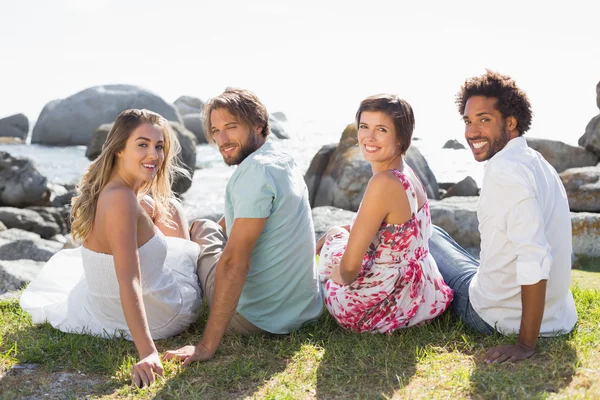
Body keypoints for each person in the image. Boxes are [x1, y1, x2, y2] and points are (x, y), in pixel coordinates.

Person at [20, 109, 202, 387]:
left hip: (102, 312)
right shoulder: (120, 200)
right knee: (173, 208)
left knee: (153, 205)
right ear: (119, 149)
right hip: (162, 314)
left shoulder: (108, 191)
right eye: (142, 144)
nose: (153, 155)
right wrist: (148, 352)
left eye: (159, 146)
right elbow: (128, 279)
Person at [163, 88, 322, 365]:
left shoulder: (254, 173)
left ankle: (167, 288)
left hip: (256, 318)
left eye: (231, 127)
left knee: (200, 227)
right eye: (215, 130)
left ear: (259, 125)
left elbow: (235, 263)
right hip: (303, 310)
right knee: (212, 228)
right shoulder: (283, 161)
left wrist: (205, 346)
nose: (221, 139)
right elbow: (249, 214)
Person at [429, 70, 577, 364]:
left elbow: (534, 256)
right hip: (558, 314)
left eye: (484, 120)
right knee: (433, 231)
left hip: (495, 315)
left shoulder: (505, 172)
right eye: (468, 121)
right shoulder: (535, 162)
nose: (472, 132)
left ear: (510, 123)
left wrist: (524, 344)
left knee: (425, 234)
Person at [316, 94, 454, 333]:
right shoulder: (406, 173)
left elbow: (349, 272)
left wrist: (330, 274)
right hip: (422, 295)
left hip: (382, 305)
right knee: (338, 232)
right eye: (364, 126)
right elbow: (392, 231)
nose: (368, 137)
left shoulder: (383, 182)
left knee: (334, 242)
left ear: (401, 138)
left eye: (381, 129)